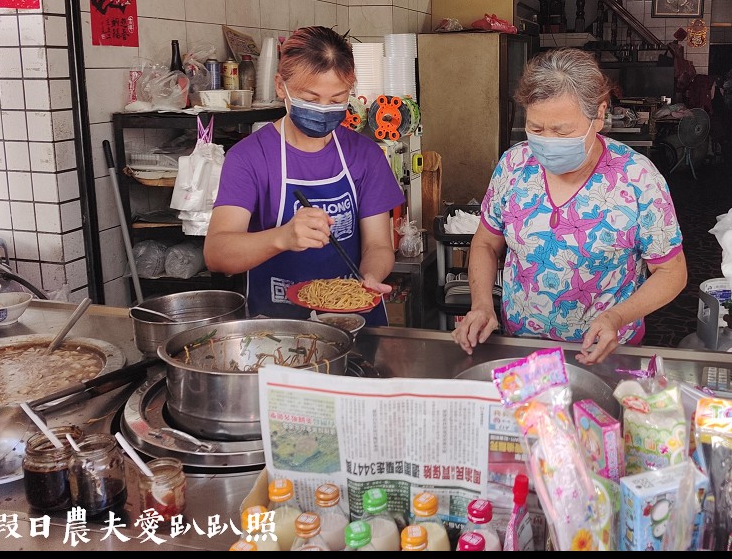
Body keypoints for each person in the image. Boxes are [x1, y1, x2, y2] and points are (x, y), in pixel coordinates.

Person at [451, 48, 688, 365]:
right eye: (535, 128)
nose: (546, 141)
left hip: (608, 349)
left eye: (562, 131)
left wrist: (616, 318)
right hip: (522, 345)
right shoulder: (513, 166)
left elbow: (671, 271)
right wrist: (481, 304)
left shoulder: (638, 179)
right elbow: (484, 242)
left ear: (599, 116)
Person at [204, 26, 405, 325]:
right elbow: (217, 253)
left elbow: (378, 245)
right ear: (281, 87)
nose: (324, 109)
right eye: (311, 98)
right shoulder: (249, 157)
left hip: (354, 319)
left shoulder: (366, 155)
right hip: (276, 327)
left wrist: (370, 278)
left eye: (337, 99)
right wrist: (282, 237)